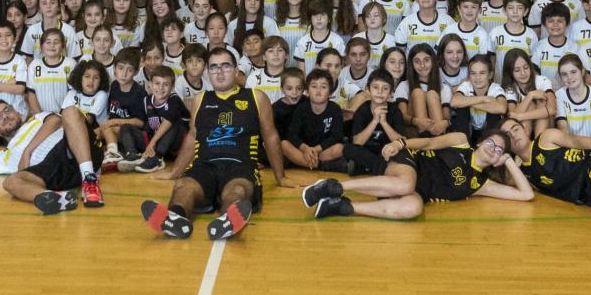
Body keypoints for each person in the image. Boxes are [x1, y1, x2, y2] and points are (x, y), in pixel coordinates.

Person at [140, 47, 290, 239]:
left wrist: (281, 177)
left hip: (240, 165)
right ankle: (175, 218)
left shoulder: (256, 97)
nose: (219, 72)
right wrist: (174, 172)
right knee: (184, 185)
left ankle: (228, 219)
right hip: (205, 164)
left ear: (236, 71)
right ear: (208, 73)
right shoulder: (200, 100)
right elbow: (193, 136)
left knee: (237, 190)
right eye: (214, 67)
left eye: (225, 66)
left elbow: (270, 137)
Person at [302, 123, 535, 219]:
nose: (493, 150)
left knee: (413, 207)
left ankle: (343, 206)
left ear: (498, 160)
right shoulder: (461, 141)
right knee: (405, 185)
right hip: (410, 163)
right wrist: (400, 144)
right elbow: (428, 144)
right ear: (481, 141)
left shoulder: (479, 184)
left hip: (415, 191)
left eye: (499, 150)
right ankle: (333, 186)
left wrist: (508, 161)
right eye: (491, 143)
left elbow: (526, 195)